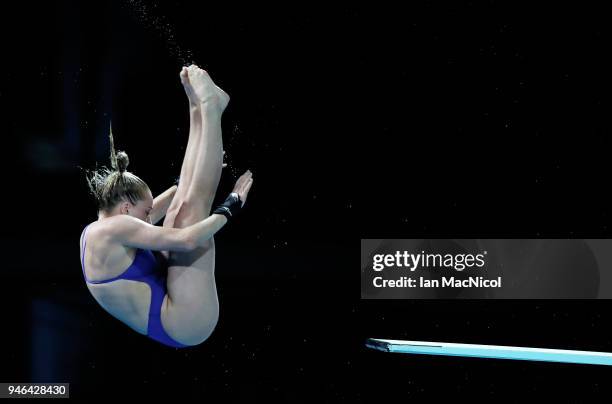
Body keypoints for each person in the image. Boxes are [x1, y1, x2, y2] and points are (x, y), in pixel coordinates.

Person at [79, 65, 253, 347]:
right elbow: (187, 239)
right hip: (184, 321)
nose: (150, 216)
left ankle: (201, 108)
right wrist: (230, 205)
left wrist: (202, 172)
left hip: (173, 316)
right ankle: (207, 108)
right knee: (184, 218)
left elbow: (173, 198)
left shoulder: (103, 232)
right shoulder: (110, 230)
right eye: (146, 211)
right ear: (125, 207)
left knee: (180, 209)